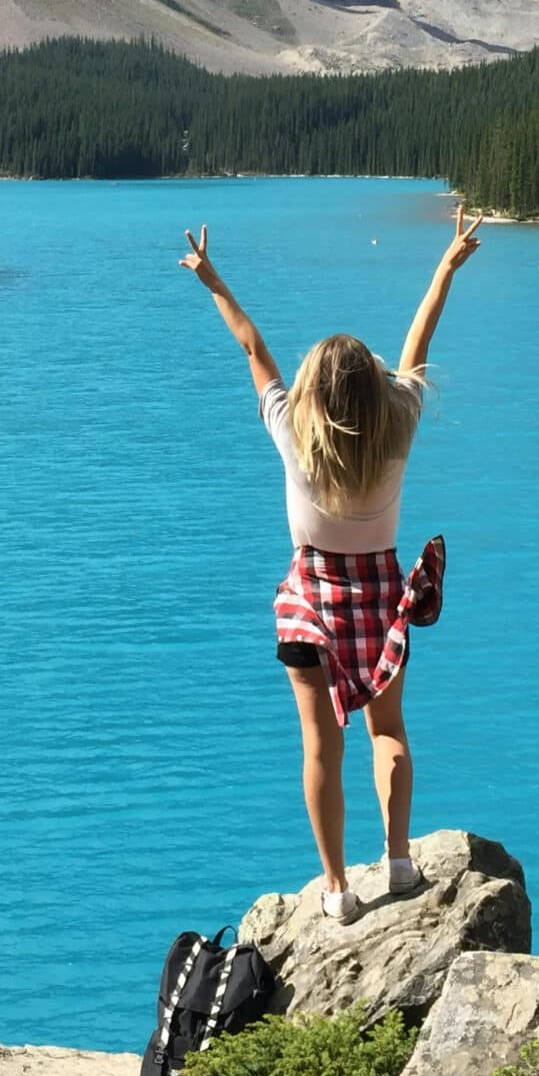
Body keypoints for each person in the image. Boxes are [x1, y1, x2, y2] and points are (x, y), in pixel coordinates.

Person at [180, 205, 484, 922]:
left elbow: (254, 348)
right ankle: (401, 860)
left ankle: (339, 888)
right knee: (389, 730)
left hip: (312, 600)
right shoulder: (400, 422)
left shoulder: (292, 429)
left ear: (315, 390)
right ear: (373, 389)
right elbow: (418, 342)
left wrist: (211, 278)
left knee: (321, 744)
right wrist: (446, 264)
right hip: (381, 595)